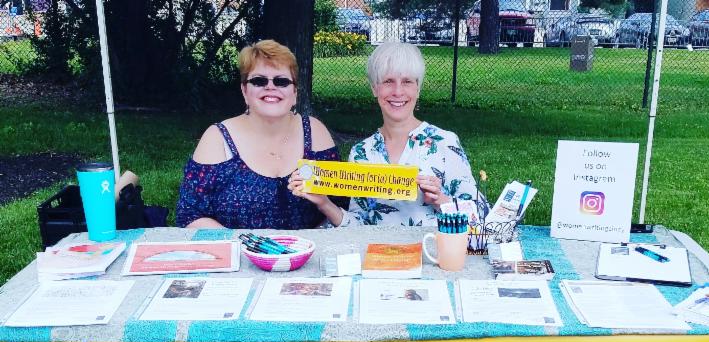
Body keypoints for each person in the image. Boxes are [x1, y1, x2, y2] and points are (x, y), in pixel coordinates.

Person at [289, 42, 481, 227]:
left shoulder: (444, 142)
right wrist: (323, 203)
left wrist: (441, 200)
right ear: (374, 88)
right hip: (377, 250)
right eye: (388, 81)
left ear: (418, 88)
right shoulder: (362, 153)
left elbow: (479, 215)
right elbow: (359, 226)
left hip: (432, 248)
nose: (398, 91)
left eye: (407, 82)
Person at [176, 40, 346, 229]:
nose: (270, 87)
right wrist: (242, 243)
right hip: (237, 247)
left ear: (295, 92)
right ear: (244, 91)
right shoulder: (217, 138)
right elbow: (190, 216)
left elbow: (340, 205)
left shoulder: (315, 132)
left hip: (308, 247)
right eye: (259, 81)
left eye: (281, 81)